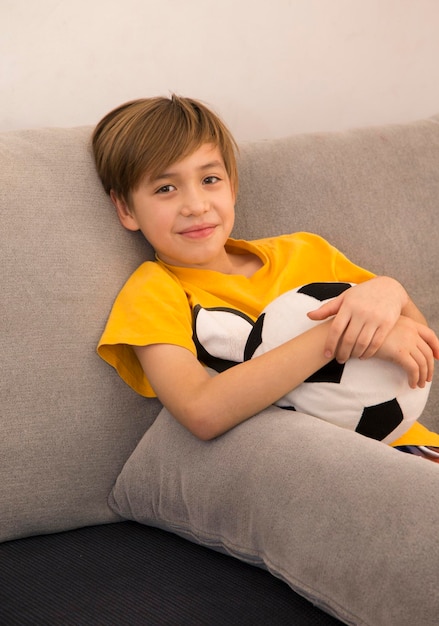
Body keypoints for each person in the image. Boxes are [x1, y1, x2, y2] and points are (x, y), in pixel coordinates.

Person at [92, 94, 439, 459]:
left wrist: (390, 292)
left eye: (210, 179)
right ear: (126, 208)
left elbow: (420, 353)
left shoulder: (305, 252)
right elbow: (201, 411)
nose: (196, 205)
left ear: (232, 187)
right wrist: (333, 335)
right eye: (166, 188)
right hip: (315, 463)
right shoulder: (154, 292)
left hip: (413, 446)